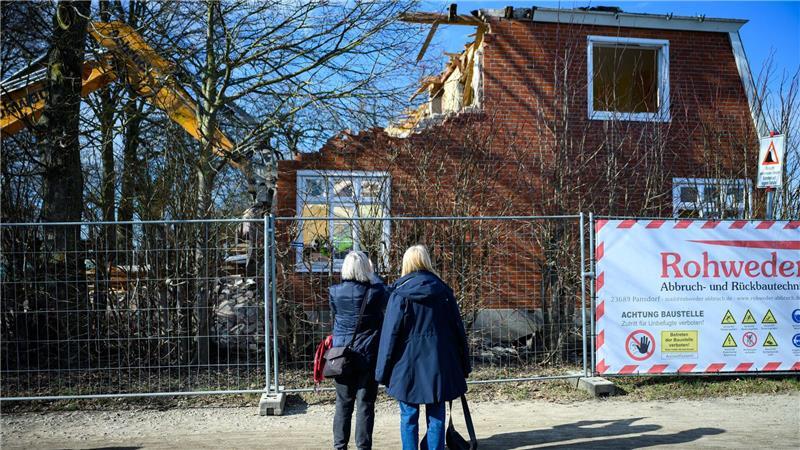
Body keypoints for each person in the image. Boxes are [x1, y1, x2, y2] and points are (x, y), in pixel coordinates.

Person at [375, 245, 471, 450]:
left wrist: (382, 371)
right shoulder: (444, 292)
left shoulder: (400, 294)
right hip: (439, 364)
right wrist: (464, 365)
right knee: (437, 414)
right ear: (427, 261)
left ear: (406, 263)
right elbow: (457, 330)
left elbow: (389, 335)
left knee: (408, 415)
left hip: (406, 366)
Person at [330, 251, 389, 450]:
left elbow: (336, 316)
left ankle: (339, 446)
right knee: (365, 404)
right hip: (368, 354)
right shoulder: (376, 292)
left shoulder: (335, 292)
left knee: (343, 403)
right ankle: (363, 447)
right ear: (366, 269)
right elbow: (386, 293)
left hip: (342, 355)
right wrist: (373, 275)